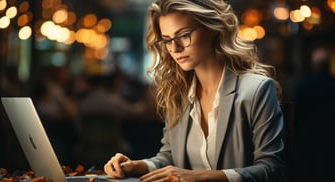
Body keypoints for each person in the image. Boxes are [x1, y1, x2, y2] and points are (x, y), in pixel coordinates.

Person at [103, 0, 285, 181]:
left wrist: (203, 177)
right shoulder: (177, 94)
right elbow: (169, 158)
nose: (175, 48)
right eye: (167, 40)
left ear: (212, 28)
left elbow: (271, 169)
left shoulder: (257, 89)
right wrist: (137, 166)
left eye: (184, 35)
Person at [293, 47, 335, 181]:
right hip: (330, 136)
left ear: (314, 65)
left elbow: (297, 113)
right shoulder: (333, 84)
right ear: (328, 64)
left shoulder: (303, 85)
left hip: (308, 137)